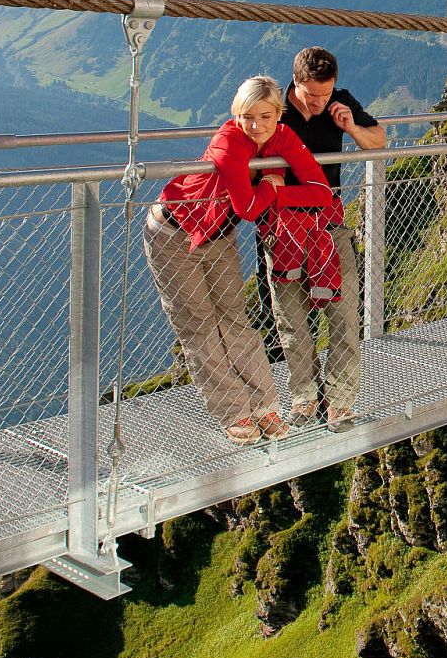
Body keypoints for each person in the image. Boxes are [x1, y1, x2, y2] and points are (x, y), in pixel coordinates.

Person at [144, 75, 336, 445]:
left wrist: (277, 193)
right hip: (174, 233)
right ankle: (234, 412)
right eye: (247, 116)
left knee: (235, 321)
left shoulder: (283, 137)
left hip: (219, 235)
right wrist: (271, 185)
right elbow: (248, 207)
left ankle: (265, 406)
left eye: (265, 116)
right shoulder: (229, 141)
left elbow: (321, 193)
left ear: (278, 114)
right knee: (200, 326)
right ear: (237, 114)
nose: (256, 125)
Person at [261, 46, 386, 433]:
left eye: (325, 93)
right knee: (292, 320)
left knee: (344, 314)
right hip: (281, 226)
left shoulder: (339, 101)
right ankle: (304, 397)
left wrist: (351, 128)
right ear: (295, 82)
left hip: (328, 225)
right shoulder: (273, 109)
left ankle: (340, 402)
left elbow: (379, 140)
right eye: (311, 94)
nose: (319, 102)